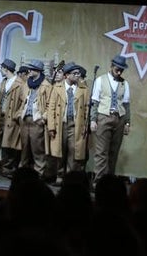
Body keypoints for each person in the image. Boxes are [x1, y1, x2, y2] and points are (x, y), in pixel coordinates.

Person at [90, 54, 132, 183]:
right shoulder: (100, 80)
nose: (119, 72)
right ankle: (99, 182)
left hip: (119, 119)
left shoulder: (124, 83)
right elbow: (95, 101)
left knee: (113, 152)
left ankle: (109, 182)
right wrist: (93, 119)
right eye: (117, 69)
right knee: (101, 152)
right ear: (112, 66)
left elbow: (126, 104)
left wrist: (127, 123)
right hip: (103, 117)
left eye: (121, 70)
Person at [46, 62, 90, 184]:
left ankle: (70, 178)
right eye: (74, 73)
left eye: (78, 73)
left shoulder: (83, 89)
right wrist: (51, 126)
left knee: (73, 151)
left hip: (75, 125)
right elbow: (51, 108)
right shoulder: (57, 88)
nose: (77, 75)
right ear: (67, 75)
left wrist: (85, 125)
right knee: (60, 150)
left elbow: (86, 108)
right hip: (61, 124)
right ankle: (59, 176)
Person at [8, 60, 48, 178]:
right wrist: (19, 115)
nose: (28, 71)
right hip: (25, 120)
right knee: (24, 149)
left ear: (38, 71)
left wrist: (43, 119)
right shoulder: (27, 84)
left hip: (37, 121)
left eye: (31, 69)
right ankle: (22, 173)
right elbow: (21, 101)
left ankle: (38, 174)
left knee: (37, 150)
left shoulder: (46, 85)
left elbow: (50, 104)